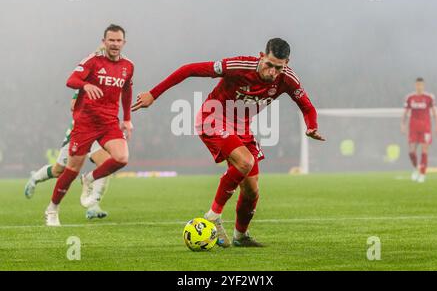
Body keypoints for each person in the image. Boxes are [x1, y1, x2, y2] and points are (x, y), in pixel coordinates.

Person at [132, 38, 325, 247]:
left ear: (287, 62)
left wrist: (311, 125)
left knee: (252, 190)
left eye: (279, 67)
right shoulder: (238, 66)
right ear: (262, 56)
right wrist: (153, 93)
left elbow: (308, 107)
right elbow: (188, 70)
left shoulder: (288, 79)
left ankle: (240, 237)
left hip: (242, 128)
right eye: (269, 65)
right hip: (212, 117)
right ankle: (213, 216)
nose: (272, 72)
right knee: (245, 162)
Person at [45, 24, 134, 226]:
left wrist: (127, 118)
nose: (115, 44)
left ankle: (89, 178)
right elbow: (71, 79)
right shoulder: (93, 61)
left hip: (109, 122)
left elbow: (127, 91)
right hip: (85, 123)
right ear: (104, 41)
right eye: (111, 40)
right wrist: (85, 84)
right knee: (71, 170)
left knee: (121, 158)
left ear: (124, 43)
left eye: (118, 40)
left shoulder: (128, 66)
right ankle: (52, 209)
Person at [25, 90, 111, 219]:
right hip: (80, 131)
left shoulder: (112, 81)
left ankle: (93, 206)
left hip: (99, 130)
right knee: (58, 170)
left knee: (105, 164)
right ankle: (35, 177)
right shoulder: (88, 81)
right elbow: (73, 104)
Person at [401, 77, 437, 183]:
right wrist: (402, 124)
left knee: (424, 150)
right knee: (411, 151)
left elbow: (434, 112)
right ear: (415, 85)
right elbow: (405, 112)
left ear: (423, 85)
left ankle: (422, 174)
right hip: (413, 127)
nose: (419, 87)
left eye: (421, 85)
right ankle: (415, 169)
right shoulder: (410, 98)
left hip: (425, 128)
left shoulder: (429, 97)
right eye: (417, 85)